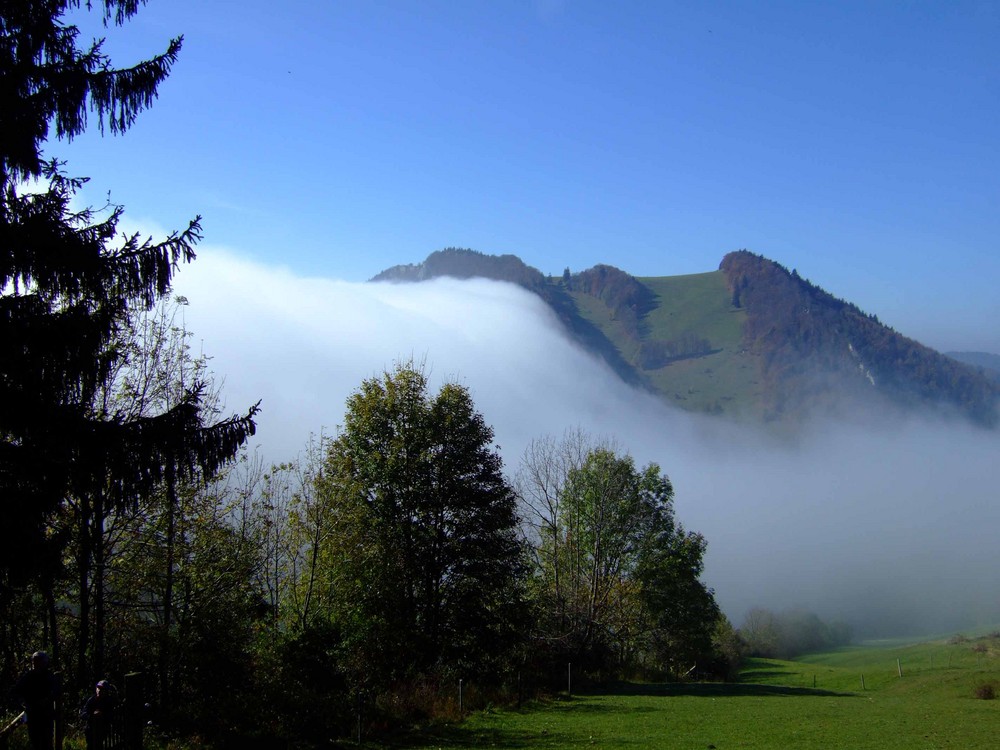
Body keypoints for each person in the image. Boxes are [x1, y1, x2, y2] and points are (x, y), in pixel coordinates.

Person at [11, 651, 59, 750]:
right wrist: (23, 704)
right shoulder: (28, 677)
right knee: (35, 743)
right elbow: (16, 692)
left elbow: (56, 692)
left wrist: (47, 700)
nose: (35, 663)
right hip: (33, 715)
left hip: (46, 715)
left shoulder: (50, 677)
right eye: (34, 661)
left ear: (45, 663)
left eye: (38, 661)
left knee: (47, 743)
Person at [81, 680, 116, 750]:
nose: (99, 690)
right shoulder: (92, 700)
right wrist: (92, 716)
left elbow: (111, 715)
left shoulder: (108, 701)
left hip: (103, 731)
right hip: (90, 730)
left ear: (106, 691)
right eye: (98, 688)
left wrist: (102, 715)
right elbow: (83, 714)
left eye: (102, 689)